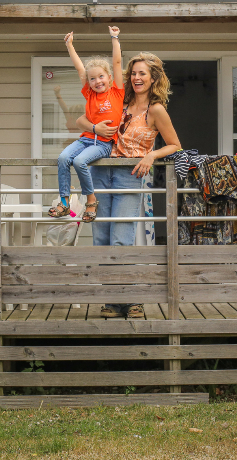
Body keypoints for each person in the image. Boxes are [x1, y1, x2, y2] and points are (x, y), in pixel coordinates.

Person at [76, 52, 181, 318]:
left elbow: (174, 145)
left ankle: (132, 299)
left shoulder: (156, 109)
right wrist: (95, 128)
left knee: (121, 239)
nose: (136, 78)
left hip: (128, 174)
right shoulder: (119, 99)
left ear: (153, 77)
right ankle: (111, 301)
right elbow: (80, 121)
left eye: (142, 73)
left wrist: (151, 155)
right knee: (101, 239)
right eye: (133, 73)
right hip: (100, 171)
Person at [48, 26, 125, 223]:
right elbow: (80, 68)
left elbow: (116, 62)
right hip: (85, 140)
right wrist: (69, 46)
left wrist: (114, 38)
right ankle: (64, 202)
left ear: (109, 77)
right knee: (64, 157)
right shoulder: (90, 93)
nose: (97, 81)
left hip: (104, 144)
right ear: (88, 83)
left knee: (79, 162)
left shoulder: (116, 92)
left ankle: (91, 200)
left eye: (101, 77)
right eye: (92, 79)